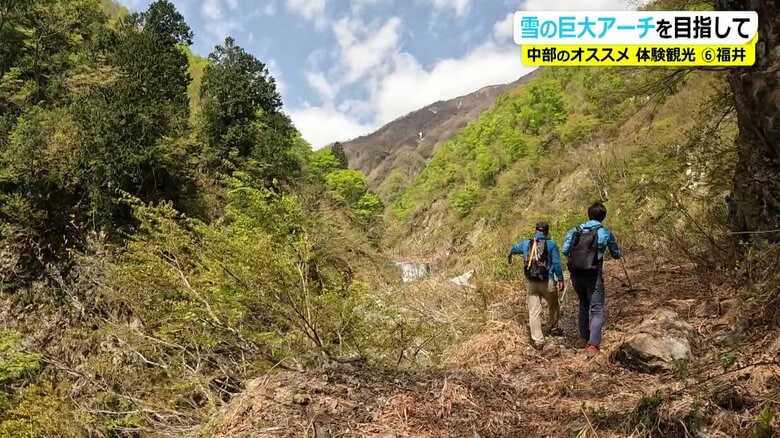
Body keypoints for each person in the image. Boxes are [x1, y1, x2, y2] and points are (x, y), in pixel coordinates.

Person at [562, 202, 621, 359]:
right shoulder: (605, 232)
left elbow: (565, 250)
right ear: (603, 216)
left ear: (589, 215)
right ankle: (593, 344)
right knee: (597, 309)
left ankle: (583, 337)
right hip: (593, 274)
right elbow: (615, 253)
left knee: (583, 303)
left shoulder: (575, 230)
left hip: (576, 274)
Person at [508, 221, 565, 350]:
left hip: (531, 282)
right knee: (554, 304)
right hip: (547, 281)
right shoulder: (551, 244)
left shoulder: (526, 243)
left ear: (536, 230)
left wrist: (512, 255)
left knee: (534, 311)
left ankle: (538, 340)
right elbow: (556, 264)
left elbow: (513, 249)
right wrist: (560, 279)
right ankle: (553, 328)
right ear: (547, 231)